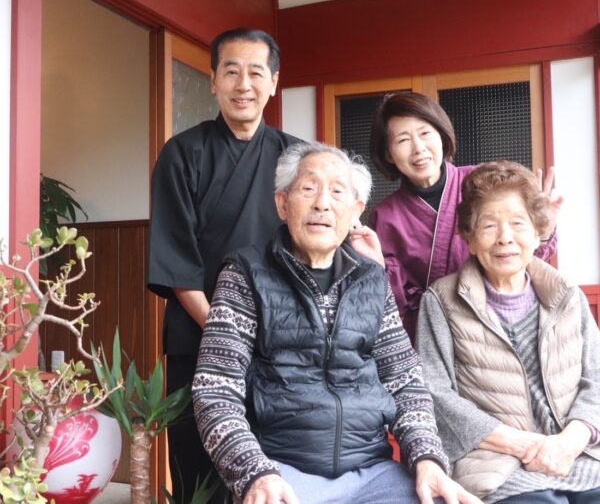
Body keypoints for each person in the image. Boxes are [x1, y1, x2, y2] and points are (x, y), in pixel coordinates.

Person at [193, 142, 481, 504]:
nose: (322, 204)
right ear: (283, 204)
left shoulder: (373, 280)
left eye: (337, 192)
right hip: (283, 469)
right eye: (308, 188)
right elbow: (215, 389)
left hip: (372, 471)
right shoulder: (244, 275)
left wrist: (427, 458)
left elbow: (405, 382)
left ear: (356, 211)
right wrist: (255, 472)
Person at [147, 28, 302, 502]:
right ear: (213, 81)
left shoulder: (297, 159)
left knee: (282, 474)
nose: (243, 84)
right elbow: (178, 264)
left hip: (282, 346)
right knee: (202, 477)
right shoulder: (182, 154)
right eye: (231, 72)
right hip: (201, 339)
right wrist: (227, 335)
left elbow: (318, 248)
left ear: (274, 82)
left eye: (256, 72)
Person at [416, 160, 600, 504]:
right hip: (496, 467)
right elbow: (434, 392)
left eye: (518, 223)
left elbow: (597, 378)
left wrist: (570, 441)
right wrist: (525, 444)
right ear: (470, 239)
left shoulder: (567, 296)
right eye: (489, 225)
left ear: (538, 232)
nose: (505, 238)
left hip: (580, 457)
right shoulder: (441, 301)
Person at [367, 91, 561, 343]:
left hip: (496, 322)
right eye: (403, 140)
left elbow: (520, 258)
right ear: (389, 154)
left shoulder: (481, 183)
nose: (418, 148)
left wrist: (543, 229)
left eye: (425, 133)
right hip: (431, 331)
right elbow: (392, 299)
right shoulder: (385, 216)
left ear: (441, 134)